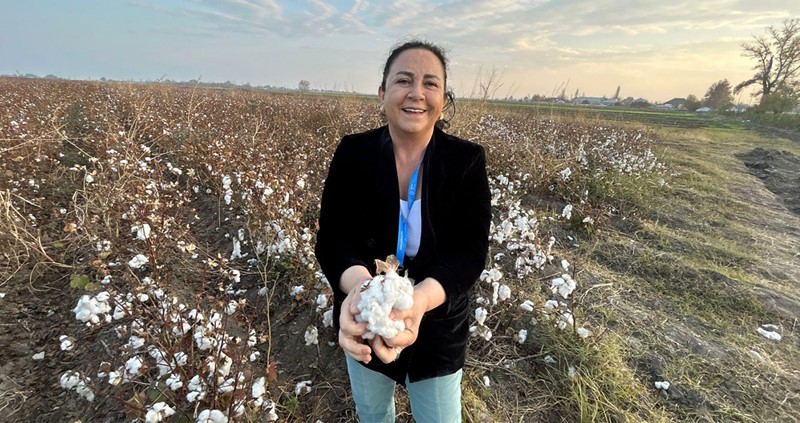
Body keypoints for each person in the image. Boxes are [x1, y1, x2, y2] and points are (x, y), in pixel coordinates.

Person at [315, 39, 491, 423]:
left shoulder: (466, 161)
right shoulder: (353, 153)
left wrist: (420, 302)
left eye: (431, 83)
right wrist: (362, 293)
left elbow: (469, 253)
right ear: (383, 93)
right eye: (403, 81)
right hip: (367, 316)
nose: (417, 93)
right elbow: (333, 239)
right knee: (373, 413)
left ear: (444, 98)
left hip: (438, 321)